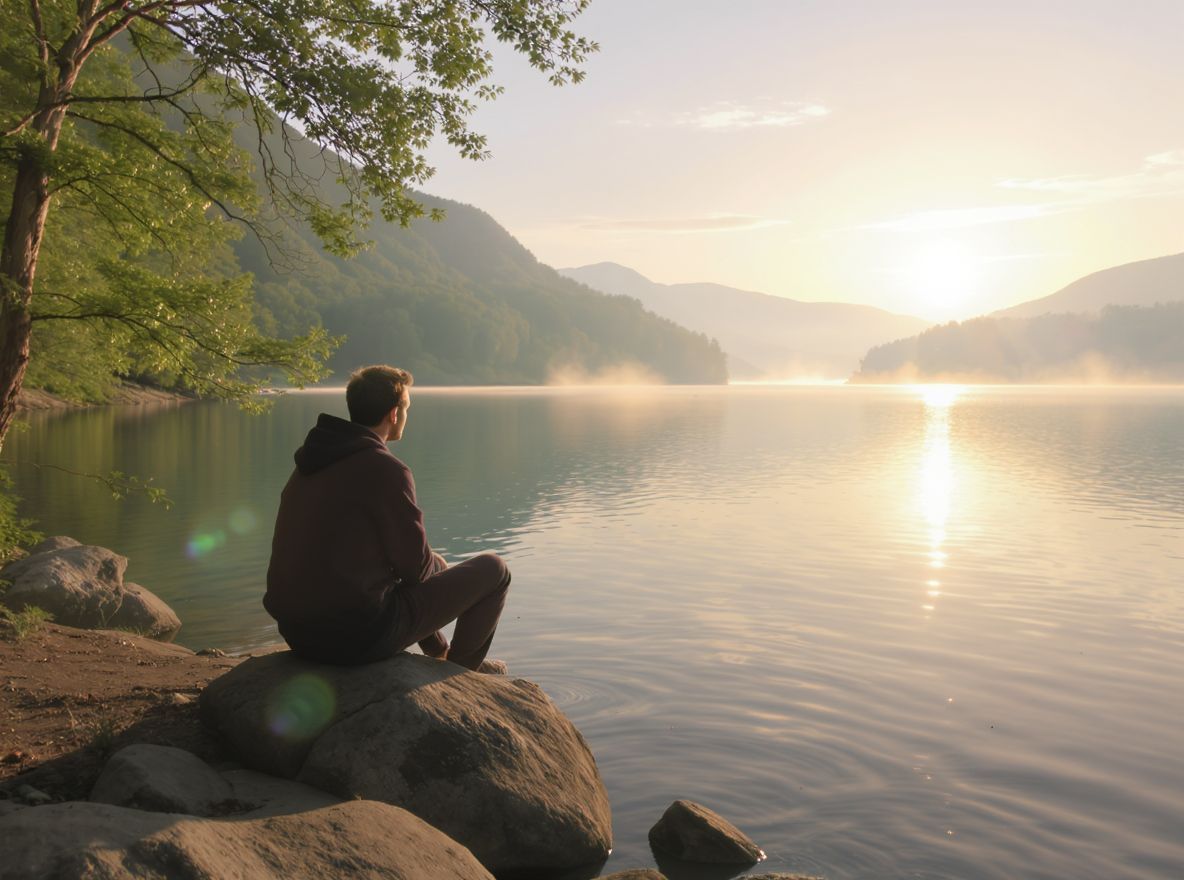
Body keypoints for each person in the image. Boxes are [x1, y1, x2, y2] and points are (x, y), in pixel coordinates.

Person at [264, 365, 511, 671]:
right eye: (407, 408)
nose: (406, 415)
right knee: (494, 569)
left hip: (297, 632)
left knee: (439, 564)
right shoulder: (386, 470)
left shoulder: (312, 461)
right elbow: (416, 572)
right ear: (394, 414)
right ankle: (458, 673)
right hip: (354, 637)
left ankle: (439, 653)